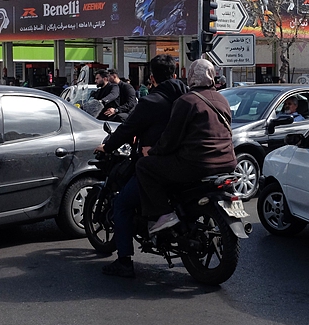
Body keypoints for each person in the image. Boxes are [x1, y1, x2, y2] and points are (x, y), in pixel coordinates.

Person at [95, 55, 188, 278]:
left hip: (157, 165)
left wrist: (107, 147)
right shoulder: (188, 97)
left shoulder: (151, 102)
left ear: (152, 78)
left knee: (122, 204)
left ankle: (124, 261)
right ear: (175, 75)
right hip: (188, 164)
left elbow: (128, 129)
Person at [135, 59, 237, 234]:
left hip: (196, 164)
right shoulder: (222, 99)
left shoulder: (187, 101)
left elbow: (170, 138)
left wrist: (152, 151)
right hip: (228, 162)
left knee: (143, 166)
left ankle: (164, 213)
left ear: (190, 77)